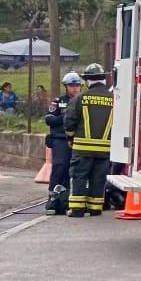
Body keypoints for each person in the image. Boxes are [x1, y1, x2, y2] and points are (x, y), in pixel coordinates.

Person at [64, 63, 114, 217]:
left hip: (82, 148)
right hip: (105, 149)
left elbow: (70, 121)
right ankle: (95, 208)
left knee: (79, 176)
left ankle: (77, 209)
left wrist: (70, 138)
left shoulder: (80, 98)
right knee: (98, 178)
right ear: (103, 79)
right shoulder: (114, 99)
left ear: (87, 81)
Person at [43, 73, 83, 215]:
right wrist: (66, 117)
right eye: (72, 86)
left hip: (78, 139)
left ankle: (69, 198)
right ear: (66, 87)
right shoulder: (59, 101)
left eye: (77, 85)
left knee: (76, 170)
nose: (75, 88)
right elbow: (49, 119)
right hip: (61, 139)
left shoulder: (84, 100)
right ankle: (53, 197)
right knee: (60, 167)